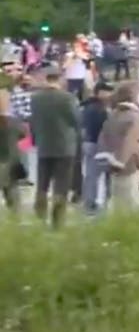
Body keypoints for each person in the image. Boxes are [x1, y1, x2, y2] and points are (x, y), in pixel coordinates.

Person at [29, 71, 80, 227]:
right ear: (60, 80)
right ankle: (57, 221)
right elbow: (75, 120)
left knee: (42, 183)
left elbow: (33, 121)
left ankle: (40, 216)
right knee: (61, 184)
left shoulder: (35, 98)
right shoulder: (67, 98)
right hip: (65, 146)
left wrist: (35, 139)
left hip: (44, 144)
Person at [95, 82, 139, 212]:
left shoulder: (114, 115)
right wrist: (122, 161)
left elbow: (103, 138)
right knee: (130, 201)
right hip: (128, 164)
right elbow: (132, 142)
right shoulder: (134, 117)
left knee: (117, 200)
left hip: (112, 165)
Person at [80, 80, 113, 214]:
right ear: (100, 92)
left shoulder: (87, 106)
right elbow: (103, 127)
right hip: (97, 143)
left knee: (91, 175)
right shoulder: (98, 109)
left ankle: (89, 202)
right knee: (103, 175)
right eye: (107, 92)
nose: (110, 95)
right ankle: (97, 202)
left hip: (88, 142)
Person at [0, 89, 24, 214]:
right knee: (13, 192)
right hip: (11, 160)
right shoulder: (13, 122)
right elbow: (25, 136)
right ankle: (15, 218)